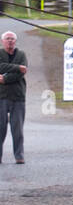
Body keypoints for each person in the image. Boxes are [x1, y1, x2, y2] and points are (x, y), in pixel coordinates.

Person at [0, 30, 28, 164]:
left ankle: (19, 156)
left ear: (15, 41)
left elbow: (22, 73)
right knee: (0, 128)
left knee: (17, 129)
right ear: (2, 41)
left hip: (18, 95)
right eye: (7, 39)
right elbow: (1, 66)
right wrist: (17, 67)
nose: (10, 41)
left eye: (12, 39)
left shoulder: (21, 54)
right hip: (1, 96)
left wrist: (4, 79)